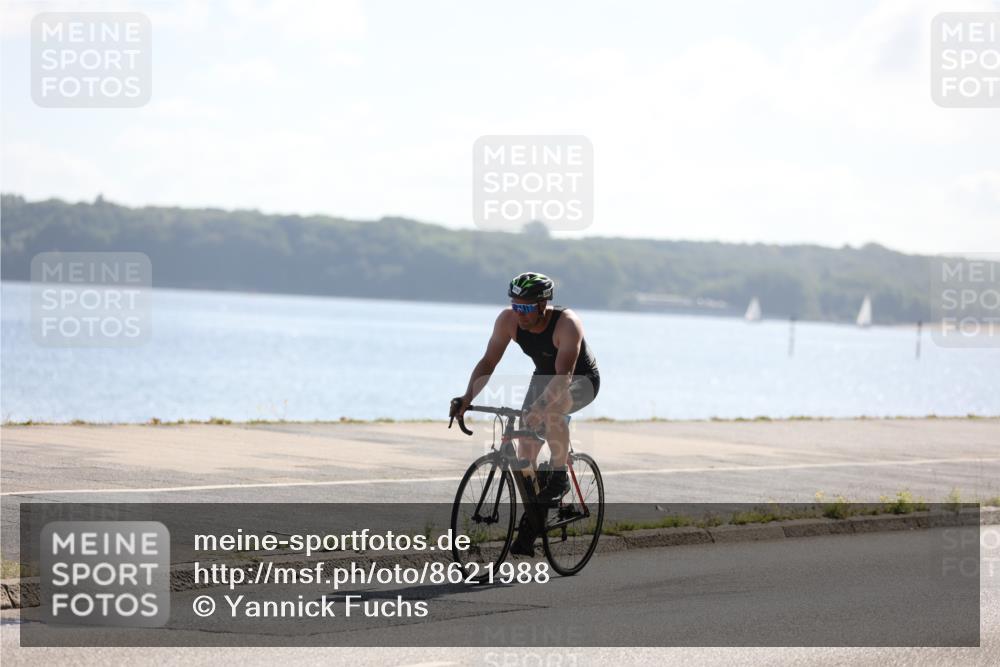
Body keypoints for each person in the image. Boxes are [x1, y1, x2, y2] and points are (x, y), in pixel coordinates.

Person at [451, 272, 600, 555]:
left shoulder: (567, 324)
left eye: (525, 307)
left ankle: (559, 476)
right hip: (544, 376)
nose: (519, 312)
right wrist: (467, 397)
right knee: (525, 452)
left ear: (543, 305)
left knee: (552, 411)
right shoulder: (507, 321)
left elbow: (564, 376)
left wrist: (541, 407)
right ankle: (534, 520)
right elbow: (488, 361)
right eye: (515, 305)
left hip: (581, 380)